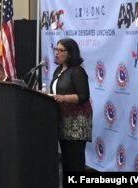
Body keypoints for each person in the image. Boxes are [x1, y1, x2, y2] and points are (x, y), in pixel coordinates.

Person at [50, 38, 92, 182]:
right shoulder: (58, 70)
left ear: (70, 53)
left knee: (75, 162)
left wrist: (64, 97)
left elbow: (84, 96)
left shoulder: (77, 71)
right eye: (56, 49)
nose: (56, 53)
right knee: (66, 161)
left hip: (76, 123)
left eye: (61, 50)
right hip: (62, 121)